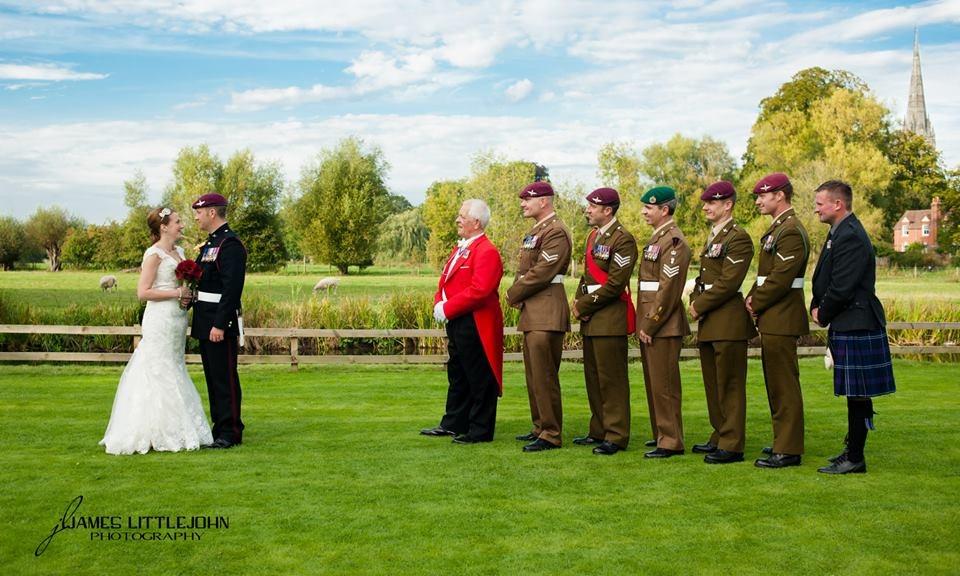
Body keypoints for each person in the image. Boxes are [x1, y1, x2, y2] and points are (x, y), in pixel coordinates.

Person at [100, 207, 213, 455]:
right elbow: (143, 292)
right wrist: (176, 293)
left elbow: (182, 285)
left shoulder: (180, 251)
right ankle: (152, 430)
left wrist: (187, 296)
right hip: (159, 319)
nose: (182, 225)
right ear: (163, 227)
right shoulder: (153, 254)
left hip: (177, 319)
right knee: (157, 368)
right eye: (177, 221)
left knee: (174, 365)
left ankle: (175, 427)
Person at [811, 180, 896, 474]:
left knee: (858, 392)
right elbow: (824, 277)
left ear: (838, 204)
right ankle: (852, 451)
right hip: (848, 320)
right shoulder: (838, 232)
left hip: (857, 321)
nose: (816, 209)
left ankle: (855, 457)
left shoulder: (851, 236)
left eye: (820, 203)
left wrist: (822, 313)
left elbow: (843, 285)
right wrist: (815, 301)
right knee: (853, 392)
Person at [421, 199, 504, 444]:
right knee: (458, 373)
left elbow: (481, 290)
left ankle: (480, 430)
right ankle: (454, 422)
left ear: (475, 222)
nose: (457, 220)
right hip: (458, 319)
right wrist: (440, 302)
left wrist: (447, 307)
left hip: (476, 321)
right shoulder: (462, 248)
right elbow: (445, 281)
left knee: (479, 376)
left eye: (462, 216)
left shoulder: (487, 251)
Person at [688, 181, 756, 464]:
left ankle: (732, 443)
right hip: (711, 319)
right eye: (705, 202)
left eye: (712, 202)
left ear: (728, 205)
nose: (705, 206)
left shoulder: (737, 237)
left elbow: (729, 282)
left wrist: (698, 305)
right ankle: (720, 434)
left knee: (729, 384)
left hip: (727, 319)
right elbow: (706, 278)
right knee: (713, 383)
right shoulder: (715, 236)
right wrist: (696, 297)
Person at [746, 173, 810, 469]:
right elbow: (764, 276)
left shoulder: (791, 231)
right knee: (776, 384)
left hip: (782, 316)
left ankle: (788, 448)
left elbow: (781, 278)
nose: (759, 201)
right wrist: (753, 297)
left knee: (784, 384)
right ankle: (781, 439)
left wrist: (755, 302)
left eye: (763, 195)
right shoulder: (778, 229)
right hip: (774, 316)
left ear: (780, 196)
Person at [507, 181, 573, 452]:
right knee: (534, 374)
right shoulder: (536, 231)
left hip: (546, 309)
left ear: (544, 201)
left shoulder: (556, 231)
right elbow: (525, 269)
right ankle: (539, 426)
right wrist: (520, 291)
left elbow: (543, 271)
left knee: (544, 375)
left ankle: (551, 433)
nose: (523, 203)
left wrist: (513, 293)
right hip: (534, 310)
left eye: (528, 199)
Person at [572, 187, 637, 456]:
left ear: (607, 210)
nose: (588, 210)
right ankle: (598, 429)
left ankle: (616, 434)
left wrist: (584, 305)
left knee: (612, 380)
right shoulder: (592, 236)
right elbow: (587, 277)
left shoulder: (623, 239)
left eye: (592, 206)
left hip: (610, 319)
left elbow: (614, 284)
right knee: (594, 378)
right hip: (592, 318)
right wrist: (577, 302)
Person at [185, 193, 247, 449]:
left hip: (218, 323)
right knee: (213, 377)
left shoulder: (230, 245)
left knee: (225, 378)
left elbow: (232, 289)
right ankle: (219, 427)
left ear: (212, 212)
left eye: (199, 212)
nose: (196, 217)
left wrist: (220, 324)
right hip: (205, 319)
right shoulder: (211, 244)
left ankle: (231, 431)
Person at [636, 186, 691, 459]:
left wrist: (651, 323)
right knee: (655, 383)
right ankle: (662, 433)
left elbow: (668, 289)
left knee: (665, 385)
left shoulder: (673, 240)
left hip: (662, 323)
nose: (644, 212)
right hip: (652, 321)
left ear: (664, 210)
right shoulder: (659, 237)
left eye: (649, 207)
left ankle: (670, 441)